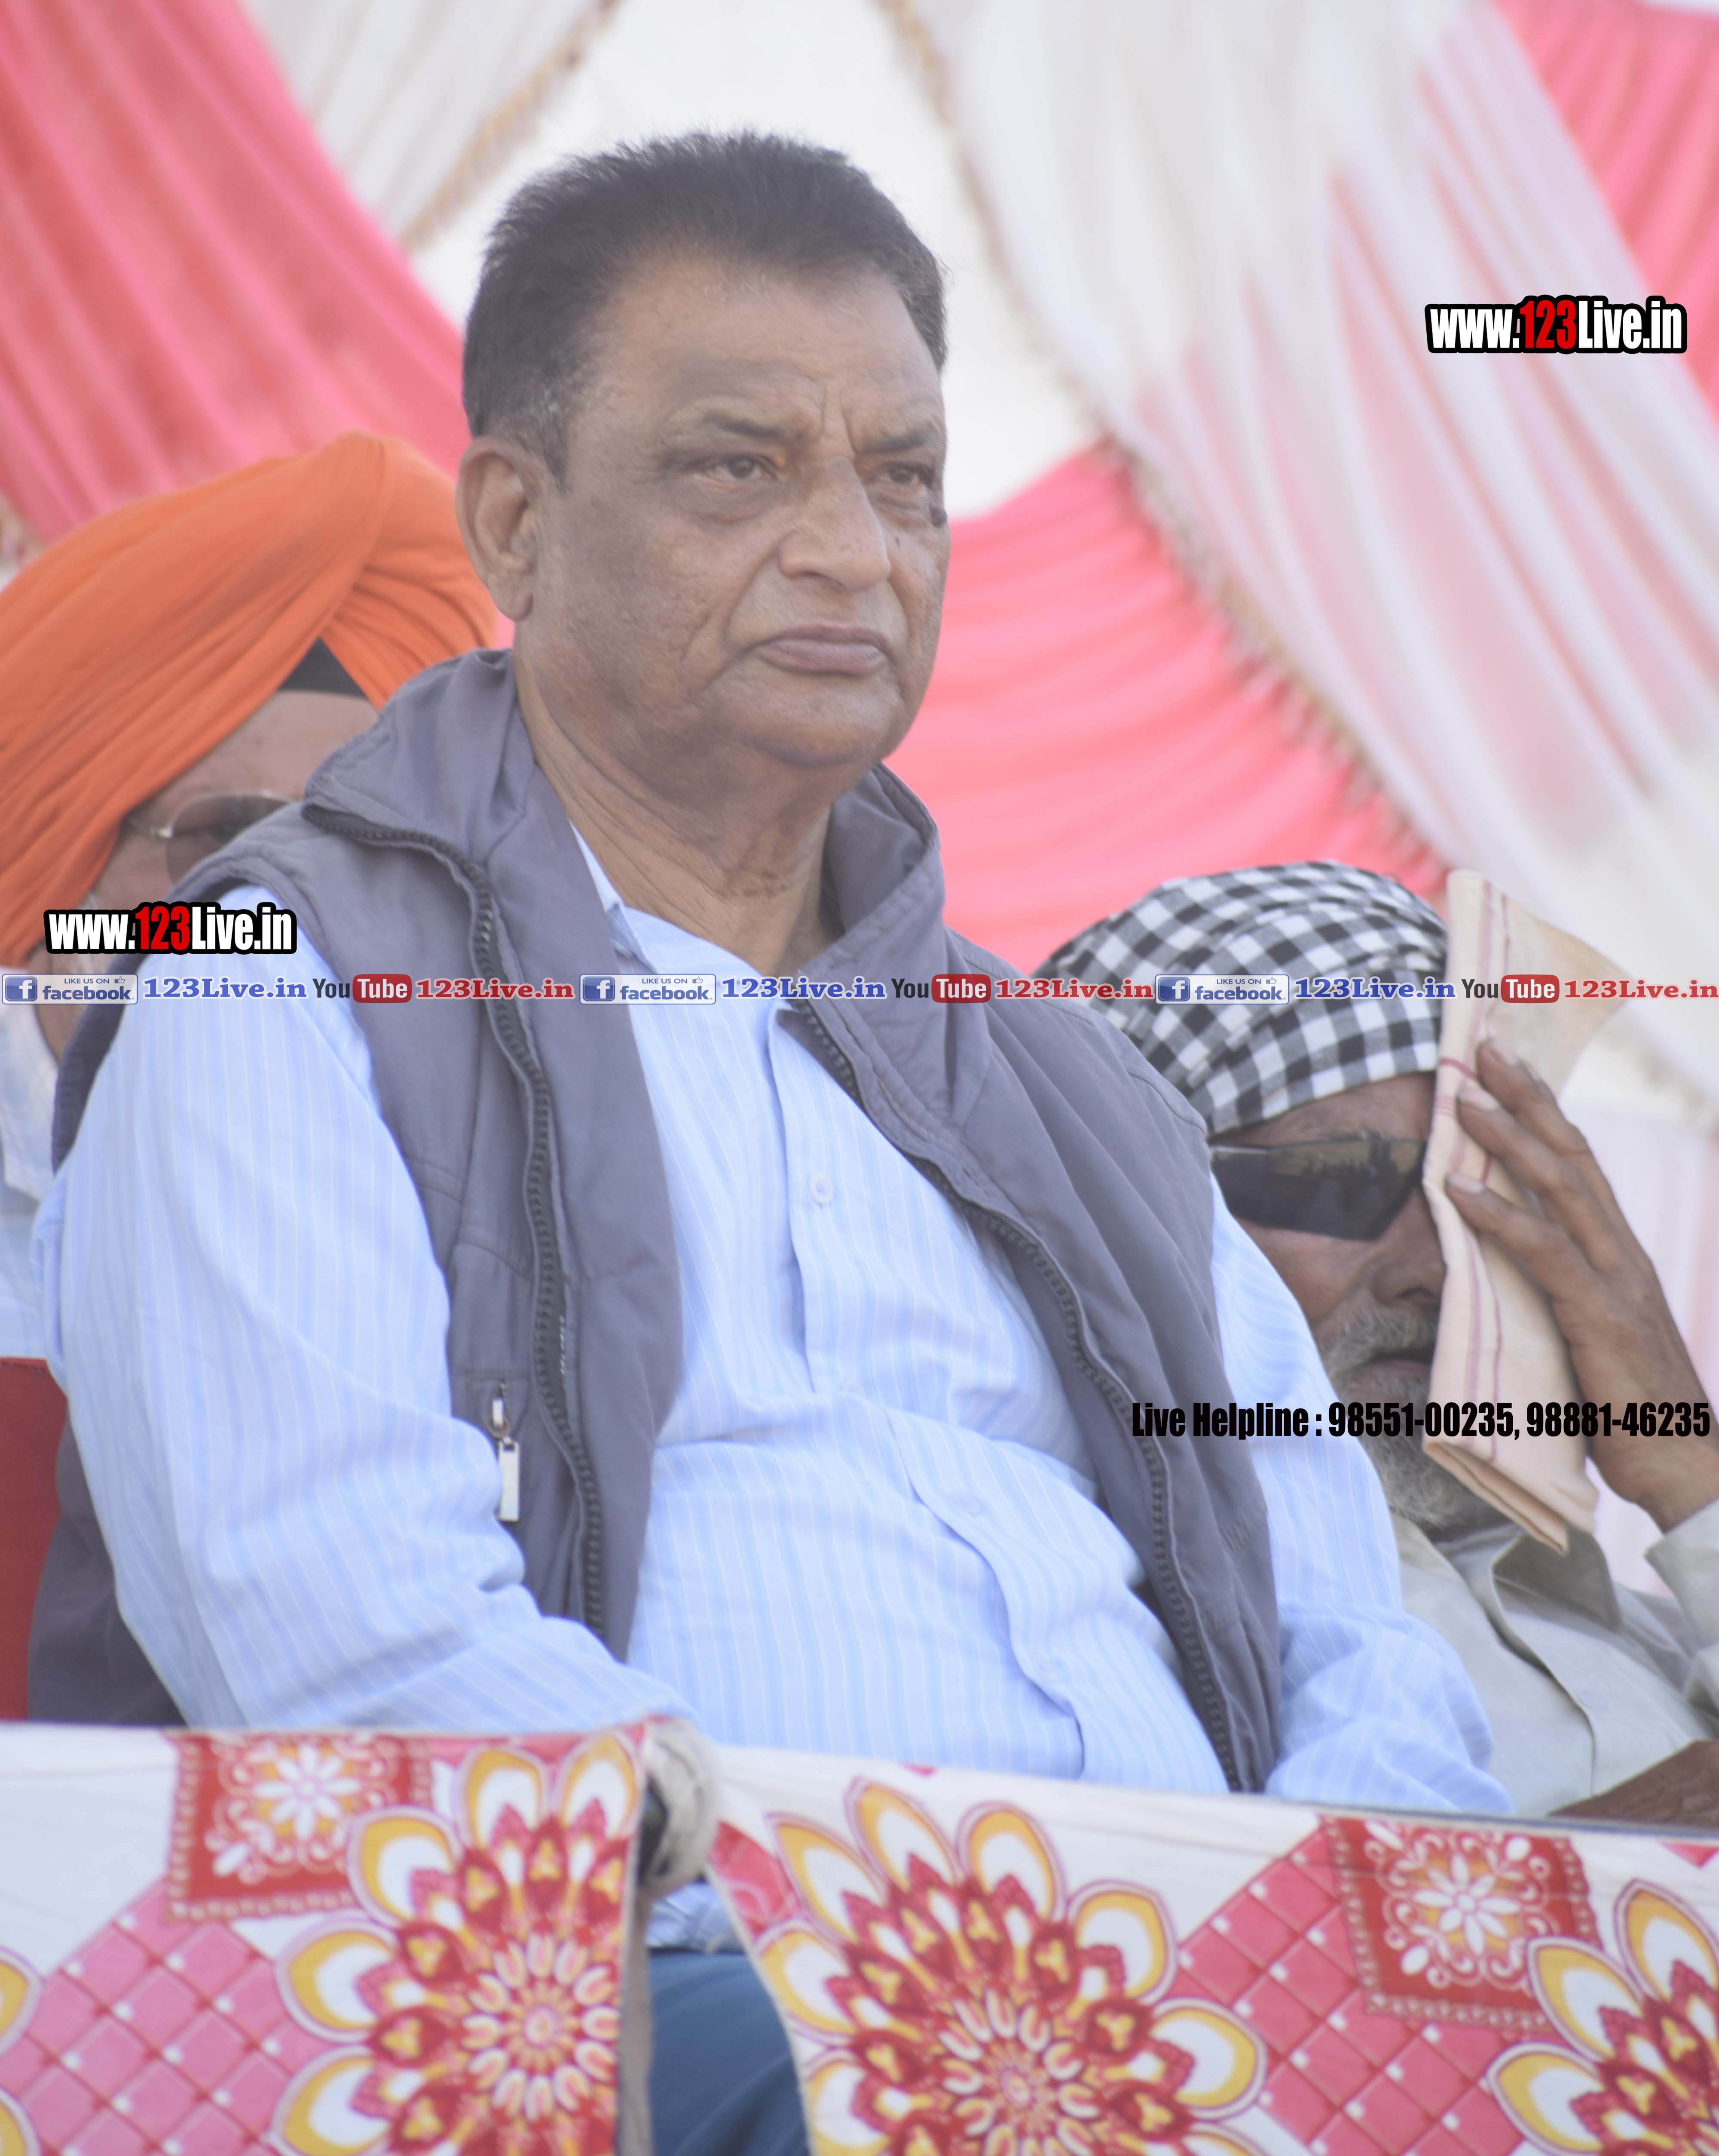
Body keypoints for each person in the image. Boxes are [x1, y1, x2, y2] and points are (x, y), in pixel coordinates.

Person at [34, 138, 1505, 2156]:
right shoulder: (282, 983)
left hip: (1182, 2024)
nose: (849, 552)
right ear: (517, 521)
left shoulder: (1068, 1085)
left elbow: (1351, 1643)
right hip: (650, 2003)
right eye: (740, 468)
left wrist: (1291, 1975)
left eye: (903, 479)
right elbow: (346, 1640)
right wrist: (923, 1981)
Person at [1045, 861, 1719, 1819]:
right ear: (1132, 1223)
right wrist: (1617, 1861)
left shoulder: (1654, 1631)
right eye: (1337, 1182)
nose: (1436, 1268)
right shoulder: (1088, 1612)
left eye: (1482, 1193)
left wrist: (1688, 1473)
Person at [0, 431, 494, 1718]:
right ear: (61, 879)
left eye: (364, 851)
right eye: (222, 842)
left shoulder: (484, 1198)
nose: (284, 912)